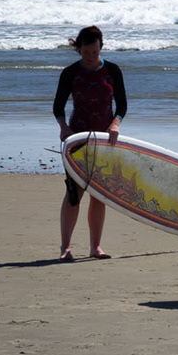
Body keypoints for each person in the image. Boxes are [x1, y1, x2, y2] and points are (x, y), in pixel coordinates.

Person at [52, 25, 128, 261]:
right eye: (86, 53)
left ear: (100, 48)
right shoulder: (70, 73)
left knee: (99, 193)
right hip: (77, 139)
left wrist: (115, 123)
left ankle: (96, 247)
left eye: (94, 53)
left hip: (105, 140)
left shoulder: (113, 71)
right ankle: (65, 248)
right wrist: (64, 128)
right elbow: (58, 106)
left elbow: (122, 105)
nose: (91, 58)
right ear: (79, 50)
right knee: (74, 192)